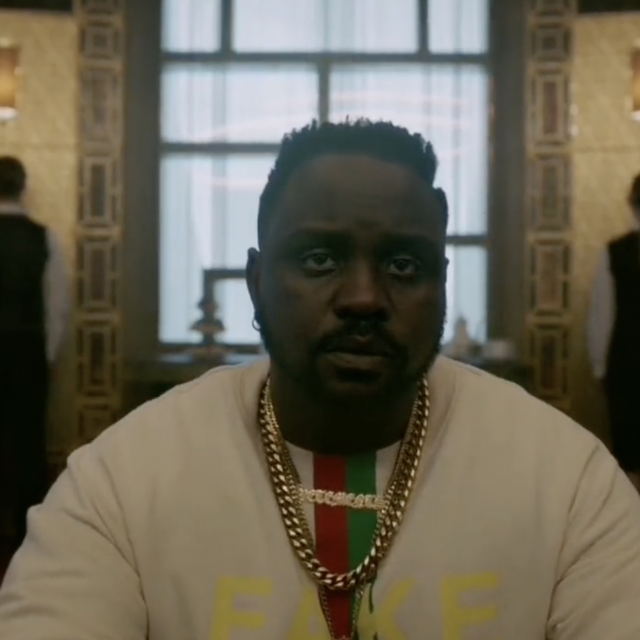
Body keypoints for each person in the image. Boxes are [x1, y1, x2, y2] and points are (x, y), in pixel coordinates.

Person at [1, 121, 640, 639]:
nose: (363, 298)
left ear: (442, 285)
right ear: (256, 283)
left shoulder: (567, 481)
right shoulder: (121, 481)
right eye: (319, 258)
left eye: (403, 264)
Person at [0, 156, 70, 549]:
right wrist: (46, 355)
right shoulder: (42, 238)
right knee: (26, 439)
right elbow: (56, 303)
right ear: (22, 187)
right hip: (26, 349)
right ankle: (26, 532)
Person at [588, 173, 640, 492]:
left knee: (630, 461)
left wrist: (600, 368)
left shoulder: (617, 253)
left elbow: (601, 316)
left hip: (626, 366)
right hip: (626, 369)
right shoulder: (616, 253)